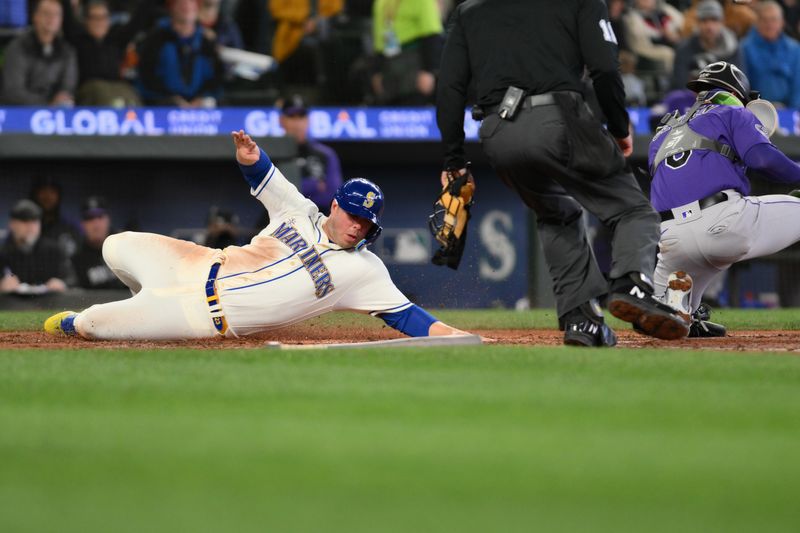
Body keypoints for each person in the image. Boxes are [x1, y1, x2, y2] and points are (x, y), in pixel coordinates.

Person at [43, 130, 468, 341]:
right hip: (196, 261)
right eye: (354, 216)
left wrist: (455, 337)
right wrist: (251, 156)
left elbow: (408, 317)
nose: (358, 226)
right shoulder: (299, 210)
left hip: (203, 318)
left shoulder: (364, 270)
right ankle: (145, 300)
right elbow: (266, 174)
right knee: (114, 245)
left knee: (89, 323)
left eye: (367, 225)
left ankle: (137, 312)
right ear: (336, 205)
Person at [435, 0, 689, 347]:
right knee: (632, 209)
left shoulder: (469, 9)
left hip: (497, 133)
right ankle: (632, 283)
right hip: (558, 117)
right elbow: (604, 67)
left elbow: (448, 87)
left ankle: (580, 319)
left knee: (556, 214)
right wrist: (618, 125)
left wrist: (454, 160)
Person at [647, 60, 800, 337]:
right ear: (738, 94)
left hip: (670, 240)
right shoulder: (732, 112)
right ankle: (681, 310)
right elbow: (763, 159)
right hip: (724, 223)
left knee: (674, 314)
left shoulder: (662, 135)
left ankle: (678, 309)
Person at [60, 0, 154, 107]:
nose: (99, 22)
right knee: (102, 93)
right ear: (86, 20)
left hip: (117, 87)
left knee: (132, 97)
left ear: (109, 20)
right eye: (95, 17)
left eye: (103, 17)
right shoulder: (78, 39)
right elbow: (67, 17)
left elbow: (138, 20)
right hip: (89, 89)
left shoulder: (116, 40)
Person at [136, 0, 224, 107]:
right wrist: (171, 98)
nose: (186, 5)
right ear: (171, 8)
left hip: (200, 106)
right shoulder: (156, 39)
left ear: (197, 8)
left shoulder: (206, 42)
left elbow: (216, 78)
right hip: (161, 103)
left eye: (191, 3)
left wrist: (202, 97)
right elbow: (146, 76)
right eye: (181, 3)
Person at [0, 0, 77, 106]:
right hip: (20, 110)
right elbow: (13, 91)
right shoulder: (17, 48)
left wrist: (60, 98)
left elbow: (68, 86)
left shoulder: (67, 51)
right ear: (35, 16)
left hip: (55, 110)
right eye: (46, 13)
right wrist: (46, 103)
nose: (51, 19)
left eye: (56, 14)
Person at [370, 0, 443, 105]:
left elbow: (432, 35)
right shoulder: (380, 2)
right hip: (388, 61)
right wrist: (376, 71)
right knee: (389, 109)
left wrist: (429, 71)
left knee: (414, 107)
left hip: (413, 60)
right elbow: (378, 40)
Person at [279, 94, 343, 214]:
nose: (297, 123)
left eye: (301, 117)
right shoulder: (272, 154)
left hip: (318, 221)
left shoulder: (325, 154)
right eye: (291, 117)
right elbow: (275, 196)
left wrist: (293, 190)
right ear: (282, 121)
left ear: (308, 120)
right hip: (281, 220)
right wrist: (313, 185)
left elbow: (332, 199)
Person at [1, 199, 72, 295]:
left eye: (34, 220)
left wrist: (62, 283)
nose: (30, 226)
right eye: (25, 220)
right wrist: (1, 285)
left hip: (49, 306)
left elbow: (72, 279)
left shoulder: (53, 250)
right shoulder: (3, 252)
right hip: (11, 307)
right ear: (12, 224)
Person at [670, 0, 742, 91]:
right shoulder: (684, 49)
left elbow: (739, 83)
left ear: (722, 22)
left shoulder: (733, 48)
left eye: (714, 20)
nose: (709, 26)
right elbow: (680, 85)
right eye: (704, 20)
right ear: (697, 23)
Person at [740, 0, 800, 109]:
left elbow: (798, 86)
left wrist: (793, 111)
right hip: (756, 110)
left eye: (774, 20)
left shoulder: (795, 49)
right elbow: (743, 86)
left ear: (782, 22)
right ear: (757, 22)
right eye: (765, 20)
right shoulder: (744, 48)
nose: (769, 25)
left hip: (789, 111)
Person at [72, 196, 126, 290]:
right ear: (82, 224)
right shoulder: (77, 259)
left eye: (100, 216)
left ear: (108, 220)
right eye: (90, 218)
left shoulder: (124, 246)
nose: (96, 224)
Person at [29, 176, 82, 258]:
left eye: (52, 192)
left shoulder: (70, 228)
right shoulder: (27, 227)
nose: (47, 196)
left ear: (59, 196)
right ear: (35, 194)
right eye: (43, 191)